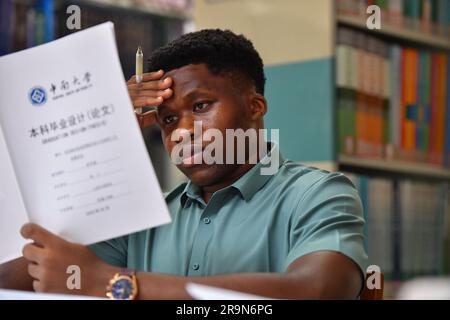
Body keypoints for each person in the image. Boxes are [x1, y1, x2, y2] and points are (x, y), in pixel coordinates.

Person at [0, 29, 367, 299]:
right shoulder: (143, 214)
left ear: (255, 108)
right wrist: (95, 130)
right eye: (169, 120)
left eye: (201, 106)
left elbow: (318, 291)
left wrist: (116, 284)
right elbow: (18, 277)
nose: (182, 132)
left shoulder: (317, 193)